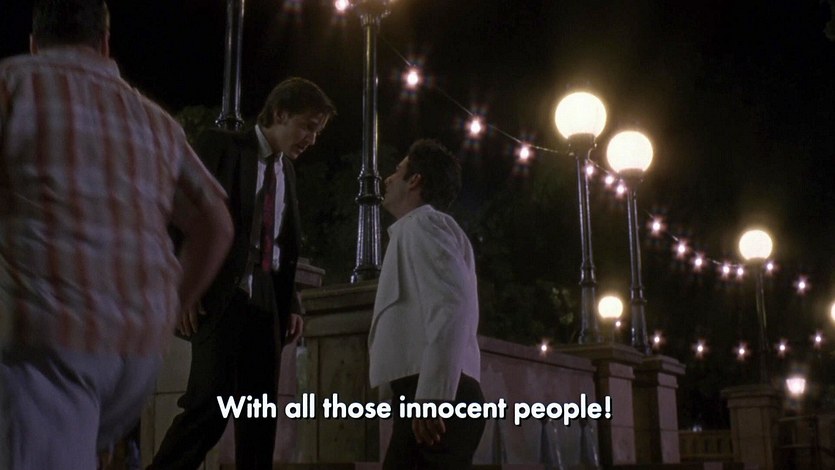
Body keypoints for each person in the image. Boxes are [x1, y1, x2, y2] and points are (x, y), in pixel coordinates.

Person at [0, 1, 234, 468]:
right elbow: (215, 222)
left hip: (45, 339)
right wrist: (171, 308)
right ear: (105, 44)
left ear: (34, 44)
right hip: (135, 352)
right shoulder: (156, 122)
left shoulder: (14, 85)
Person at [150, 77, 336, 470]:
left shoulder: (287, 173)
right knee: (207, 408)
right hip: (221, 298)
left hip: (267, 306)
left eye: (317, 131)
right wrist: (187, 287)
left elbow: (283, 245)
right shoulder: (223, 147)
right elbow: (179, 215)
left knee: (259, 418)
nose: (312, 139)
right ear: (280, 113)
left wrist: (292, 304)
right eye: (307, 126)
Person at [369, 139, 485, 469]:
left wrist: (433, 395)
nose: (388, 178)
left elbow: (450, 304)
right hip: (432, 392)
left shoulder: (421, 224)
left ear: (415, 180)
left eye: (398, 171)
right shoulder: (423, 228)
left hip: (435, 395)